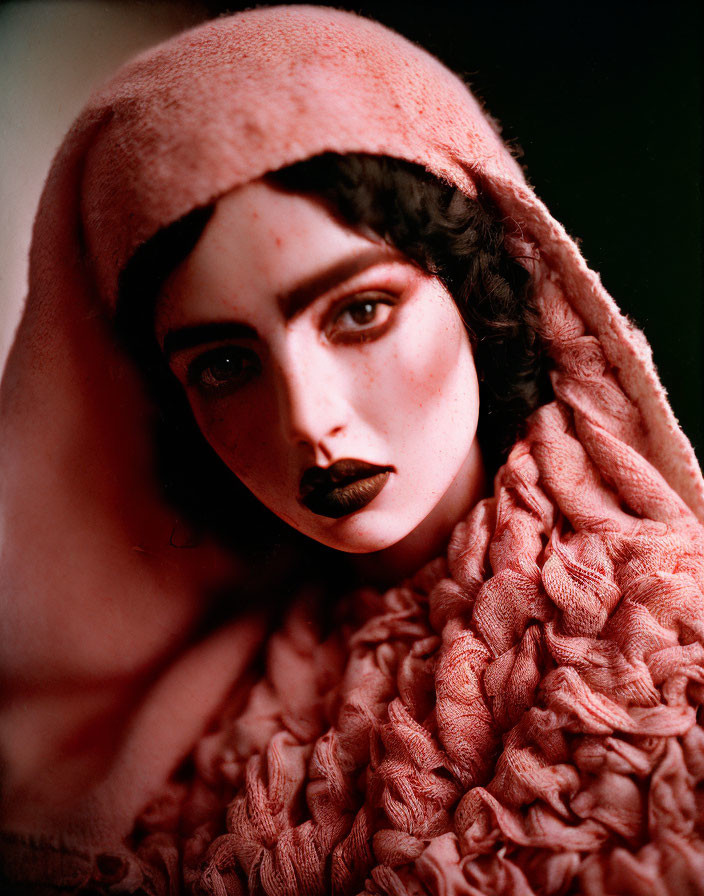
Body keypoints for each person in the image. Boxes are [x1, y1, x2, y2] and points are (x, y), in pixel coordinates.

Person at [1, 5, 703, 895]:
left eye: (359, 312)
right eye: (225, 364)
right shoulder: (160, 743)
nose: (308, 418)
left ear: (477, 286)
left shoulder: (666, 650)